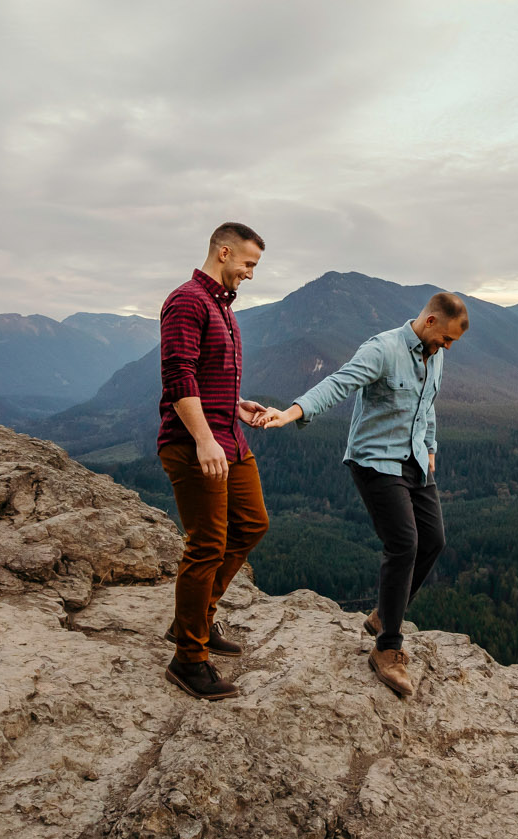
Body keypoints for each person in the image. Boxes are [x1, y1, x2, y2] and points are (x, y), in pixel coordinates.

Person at [258, 291, 468, 698]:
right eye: (447, 339)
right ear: (429, 323)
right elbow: (339, 383)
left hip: (413, 460)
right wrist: (290, 412)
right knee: (404, 543)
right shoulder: (383, 349)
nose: (448, 347)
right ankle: (387, 648)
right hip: (375, 461)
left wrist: (430, 447)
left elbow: (428, 405)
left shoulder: (435, 354)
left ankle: (382, 615)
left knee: (434, 541)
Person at [158, 222, 278, 701]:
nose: (251, 273)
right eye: (248, 264)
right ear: (224, 252)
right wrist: (205, 439)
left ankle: (195, 620)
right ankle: (189, 659)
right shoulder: (187, 300)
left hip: (229, 436)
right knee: (207, 544)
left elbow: (208, 378)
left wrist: (238, 404)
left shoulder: (222, 308)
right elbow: (179, 376)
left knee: (251, 524)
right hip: (194, 444)